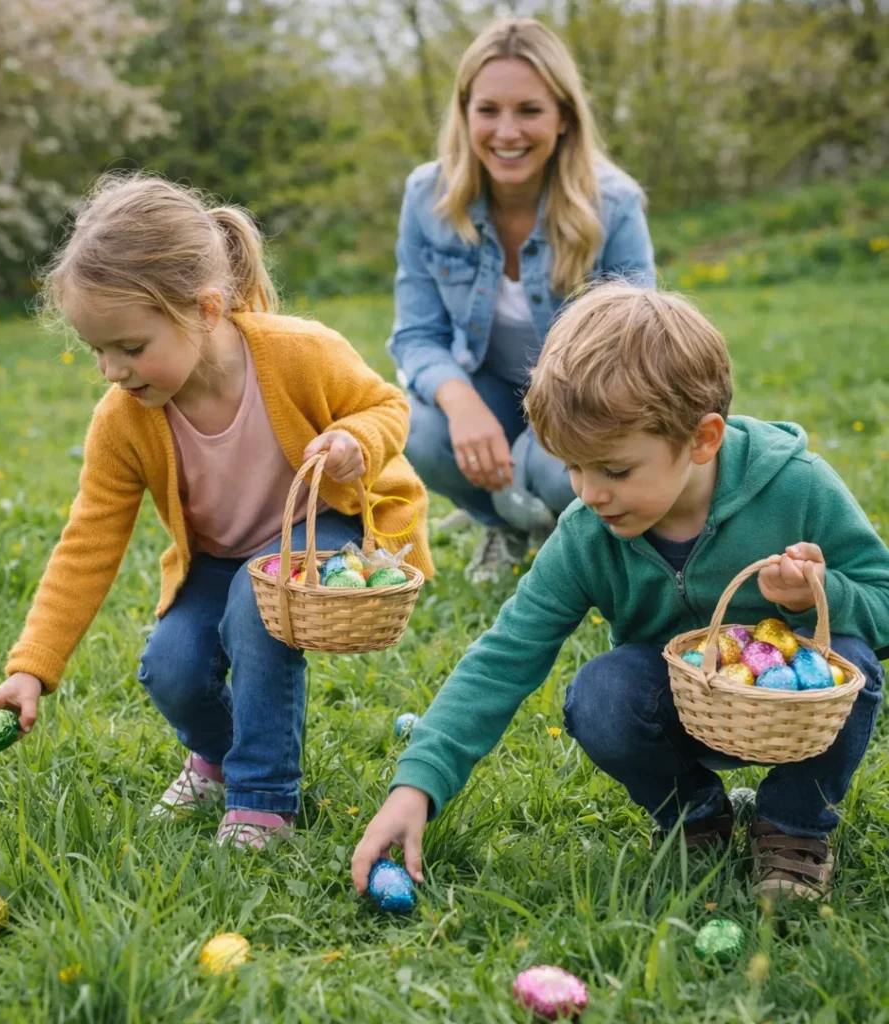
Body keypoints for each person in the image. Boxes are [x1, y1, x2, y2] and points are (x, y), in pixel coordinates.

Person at [353, 284, 889, 902]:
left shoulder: (796, 487)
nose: (589, 492)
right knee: (601, 694)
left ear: (702, 439)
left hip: (798, 716)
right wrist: (415, 786)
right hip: (677, 709)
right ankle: (697, 818)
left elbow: (880, 600)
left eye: (614, 470)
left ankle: (793, 828)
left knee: (855, 662)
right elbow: (506, 655)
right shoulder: (587, 534)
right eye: (572, 467)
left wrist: (813, 599)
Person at [0, 173, 433, 851]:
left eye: (130, 347)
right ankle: (217, 756)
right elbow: (87, 541)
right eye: (97, 350)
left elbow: (386, 405)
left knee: (256, 606)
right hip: (218, 554)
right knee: (171, 667)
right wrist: (30, 667)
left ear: (206, 310)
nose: (112, 371)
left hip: (317, 527)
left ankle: (264, 797)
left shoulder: (299, 352)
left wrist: (357, 442)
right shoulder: (124, 421)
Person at [390, 18, 655, 584]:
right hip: (483, 384)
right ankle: (503, 521)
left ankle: (563, 527)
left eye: (529, 110)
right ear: (465, 114)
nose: (506, 131)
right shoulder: (426, 196)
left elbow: (640, 343)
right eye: (488, 110)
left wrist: (555, 424)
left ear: (563, 117)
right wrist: (460, 404)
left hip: (582, 394)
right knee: (411, 428)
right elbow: (416, 336)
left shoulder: (613, 203)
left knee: (555, 473)